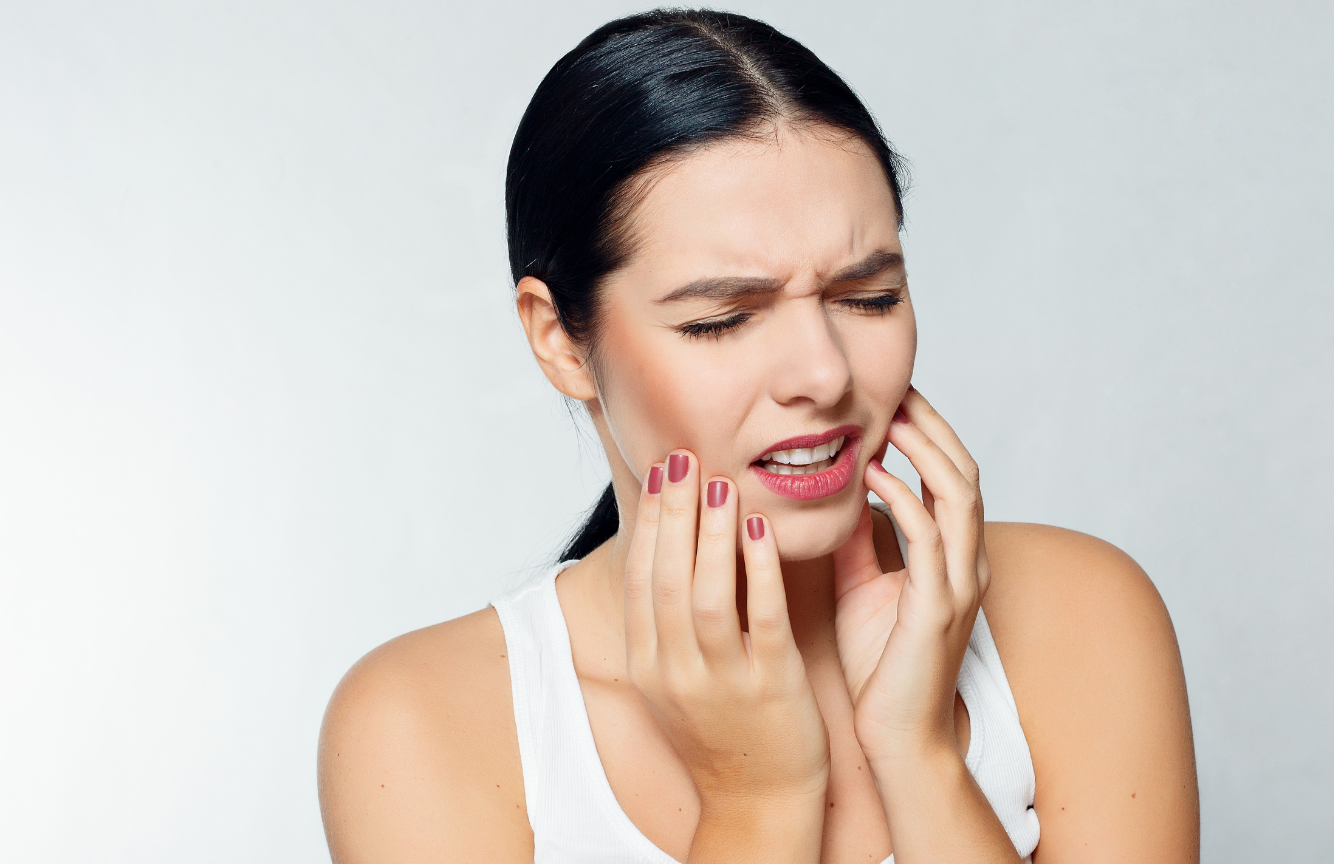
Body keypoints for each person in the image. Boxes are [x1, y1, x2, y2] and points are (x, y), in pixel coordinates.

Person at [318, 9, 1198, 863]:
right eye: (722, 319)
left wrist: (918, 756)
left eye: (868, 297)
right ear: (561, 341)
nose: (823, 374)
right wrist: (759, 803)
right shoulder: (423, 725)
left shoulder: (1076, 614)